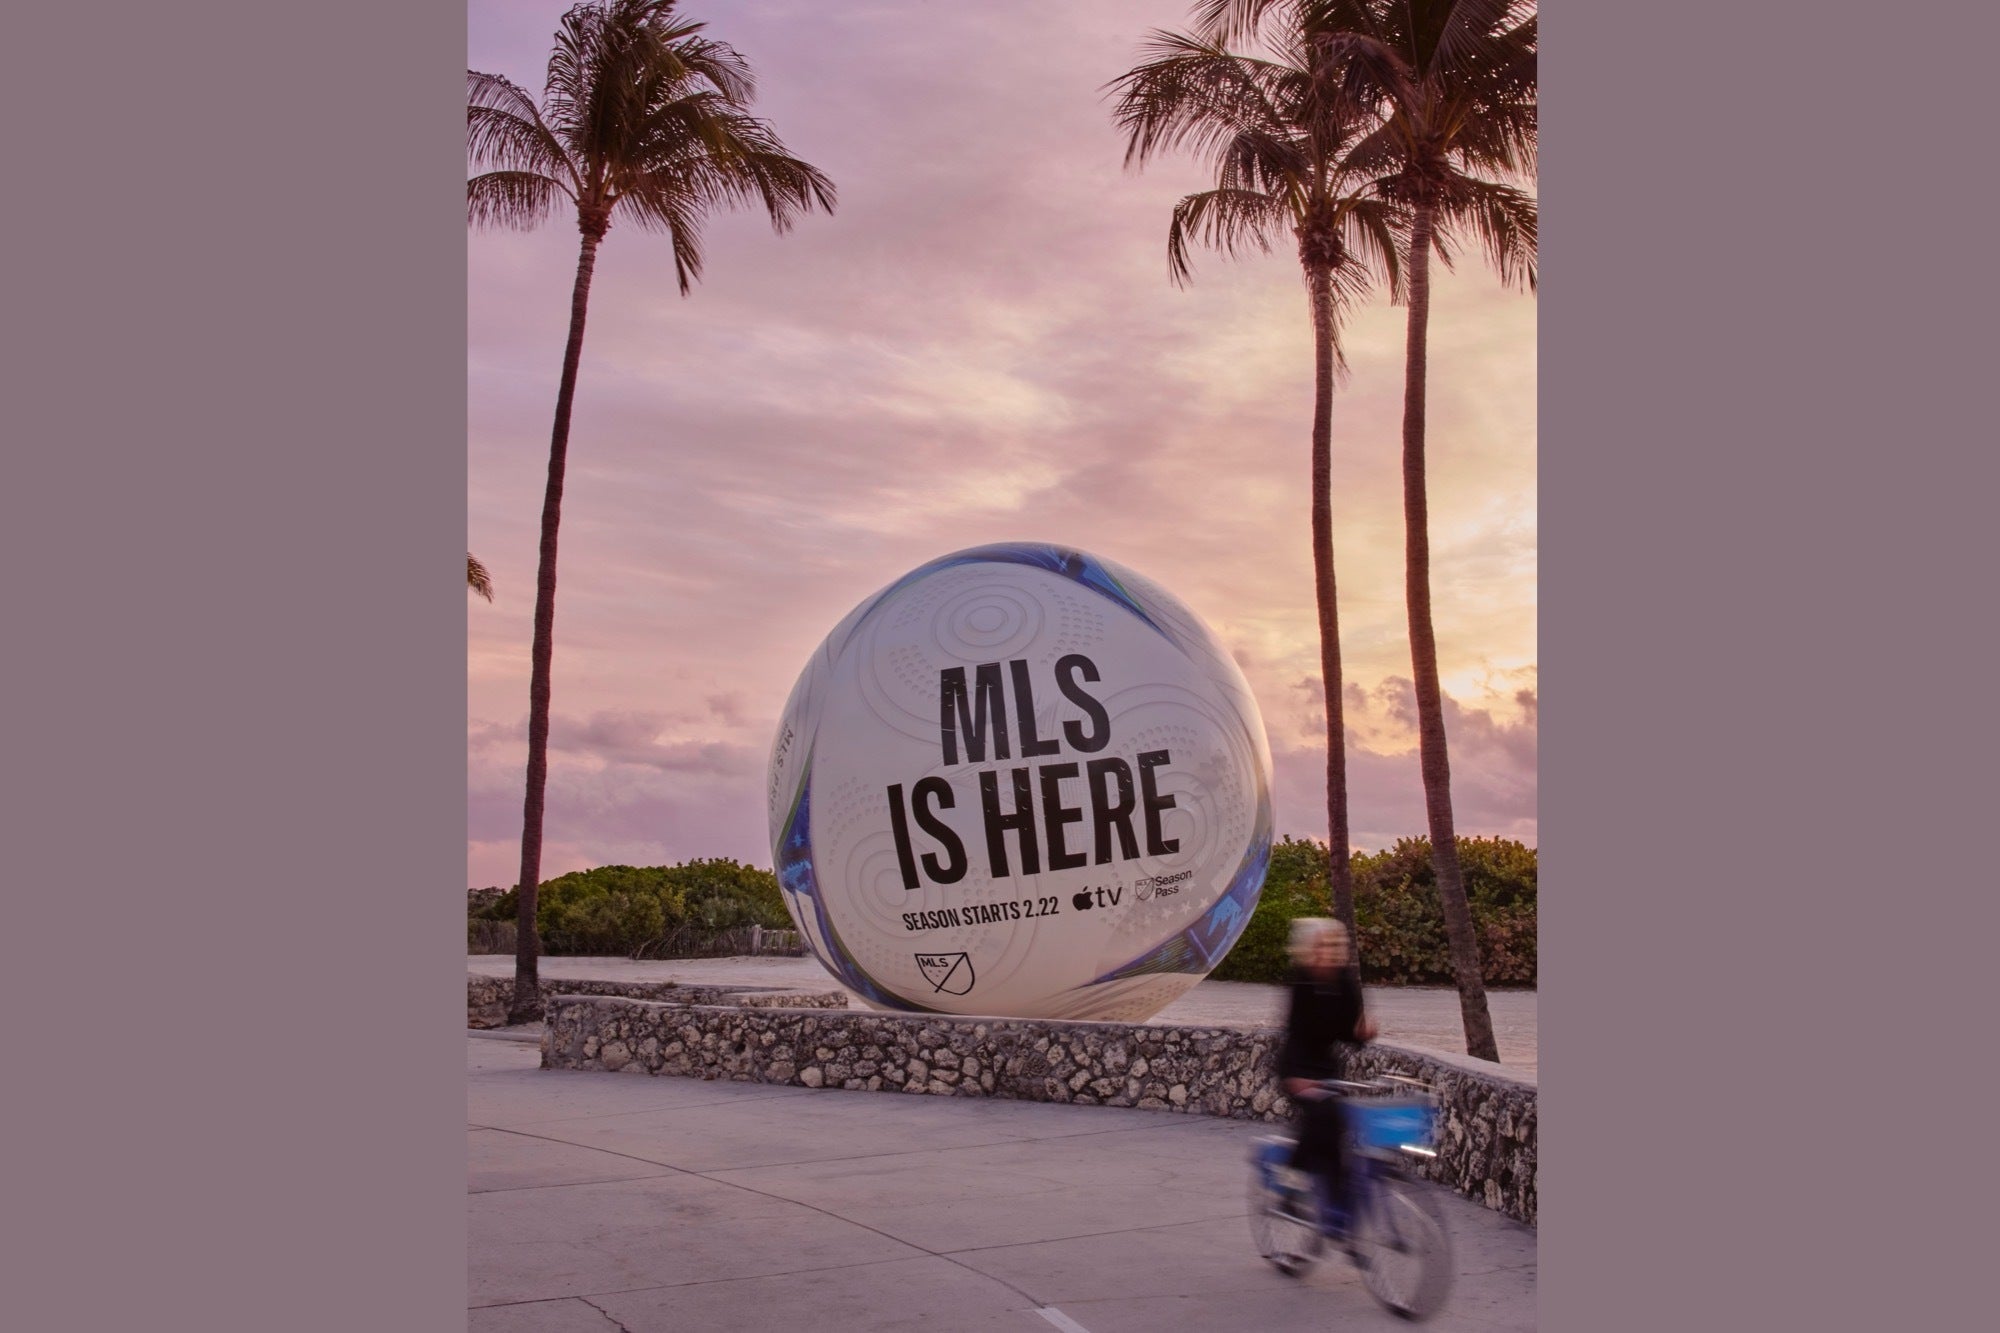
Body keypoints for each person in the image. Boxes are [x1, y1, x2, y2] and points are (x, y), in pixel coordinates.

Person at [1276, 916, 1377, 1235]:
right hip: (1298, 1064)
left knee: (1338, 1130)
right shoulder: (1301, 981)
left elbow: (1349, 1034)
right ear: (1309, 949)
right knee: (1320, 1116)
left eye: (1334, 945)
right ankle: (1290, 1180)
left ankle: (1336, 1214)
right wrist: (1297, 1077)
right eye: (1321, 945)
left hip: (1328, 1066)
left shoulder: (1346, 981)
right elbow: (1294, 1031)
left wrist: (1363, 1034)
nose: (1328, 951)